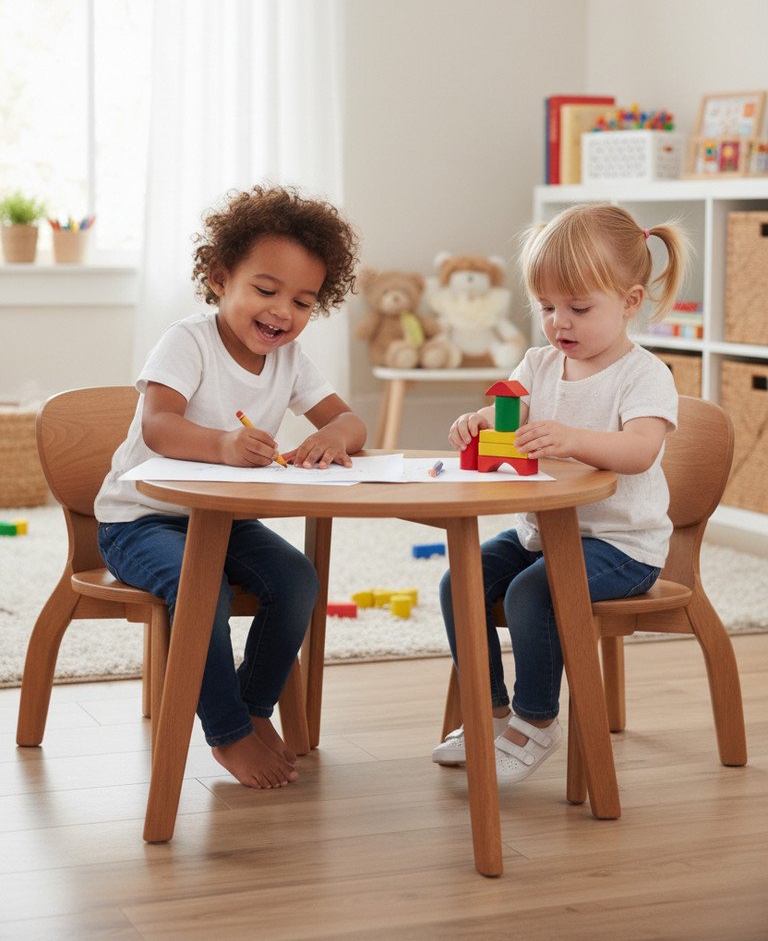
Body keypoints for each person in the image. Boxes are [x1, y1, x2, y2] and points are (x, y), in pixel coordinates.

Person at [95, 184, 366, 790]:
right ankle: (227, 733)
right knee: (202, 587)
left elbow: (350, 420)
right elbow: (158, 426)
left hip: (226, 519)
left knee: (297, 580)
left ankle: (250, 708)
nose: (281, 313)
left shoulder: (290, 361)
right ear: (220, 278)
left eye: (302, 301)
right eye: (265, 291)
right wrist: (221, 446)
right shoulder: (187, 341)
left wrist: (335, 439)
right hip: (140, 520)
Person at [432, 202, 689, 782]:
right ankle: (488, 711)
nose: (559, 323)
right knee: (460, 580)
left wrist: (572, 438)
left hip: (622, 548)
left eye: (578, 308)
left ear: (630, 301)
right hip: (543, 533)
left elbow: (640, 450)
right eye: (546, 307)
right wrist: (478, 422)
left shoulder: (644, 374)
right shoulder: (539, 363)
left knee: (531, 593)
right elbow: (508, 413)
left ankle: (535, 721)